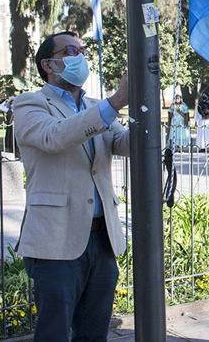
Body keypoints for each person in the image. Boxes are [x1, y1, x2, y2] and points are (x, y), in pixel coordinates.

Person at [12, 31, 130, 341]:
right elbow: (56, 137)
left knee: (94, 332)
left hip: (102, 239)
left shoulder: (95, 107)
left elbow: (122, 143)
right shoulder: (29, 104)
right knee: (53, 332)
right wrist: (116, 101)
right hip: (56, 242)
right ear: (48, 64)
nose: (79, 56)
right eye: (69, 50)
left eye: (81, 50)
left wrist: (147, 112)